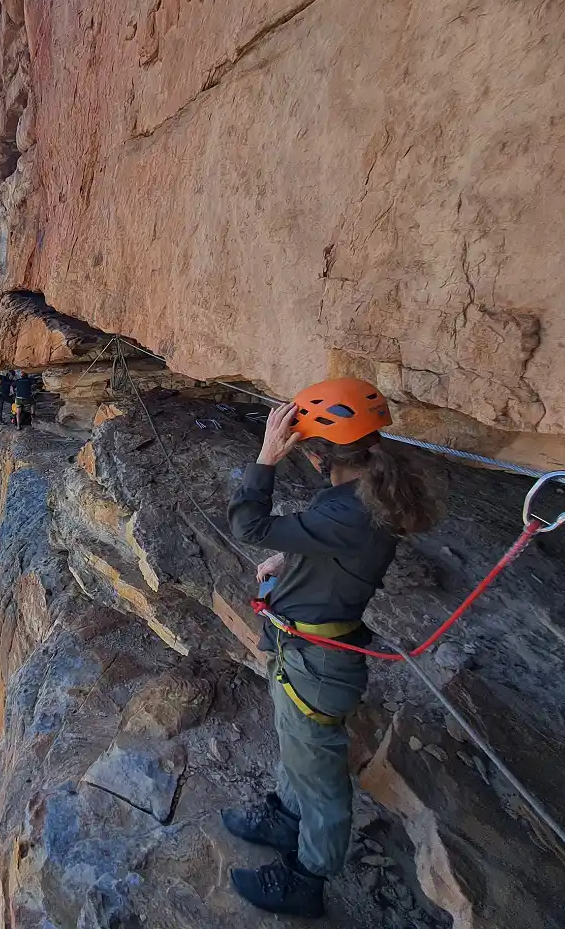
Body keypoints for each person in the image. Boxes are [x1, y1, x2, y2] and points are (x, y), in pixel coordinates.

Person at [221, 378, 441, 918]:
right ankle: (284, 818)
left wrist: (267, 457)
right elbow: (334, 552)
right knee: (298, 748)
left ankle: (307, 877)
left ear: (319, 457)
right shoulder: (361, 497)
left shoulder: (347, 511)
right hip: (310, 654)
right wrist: (292, 563)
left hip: (317, 664)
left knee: (319, 775)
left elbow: (248, 524)